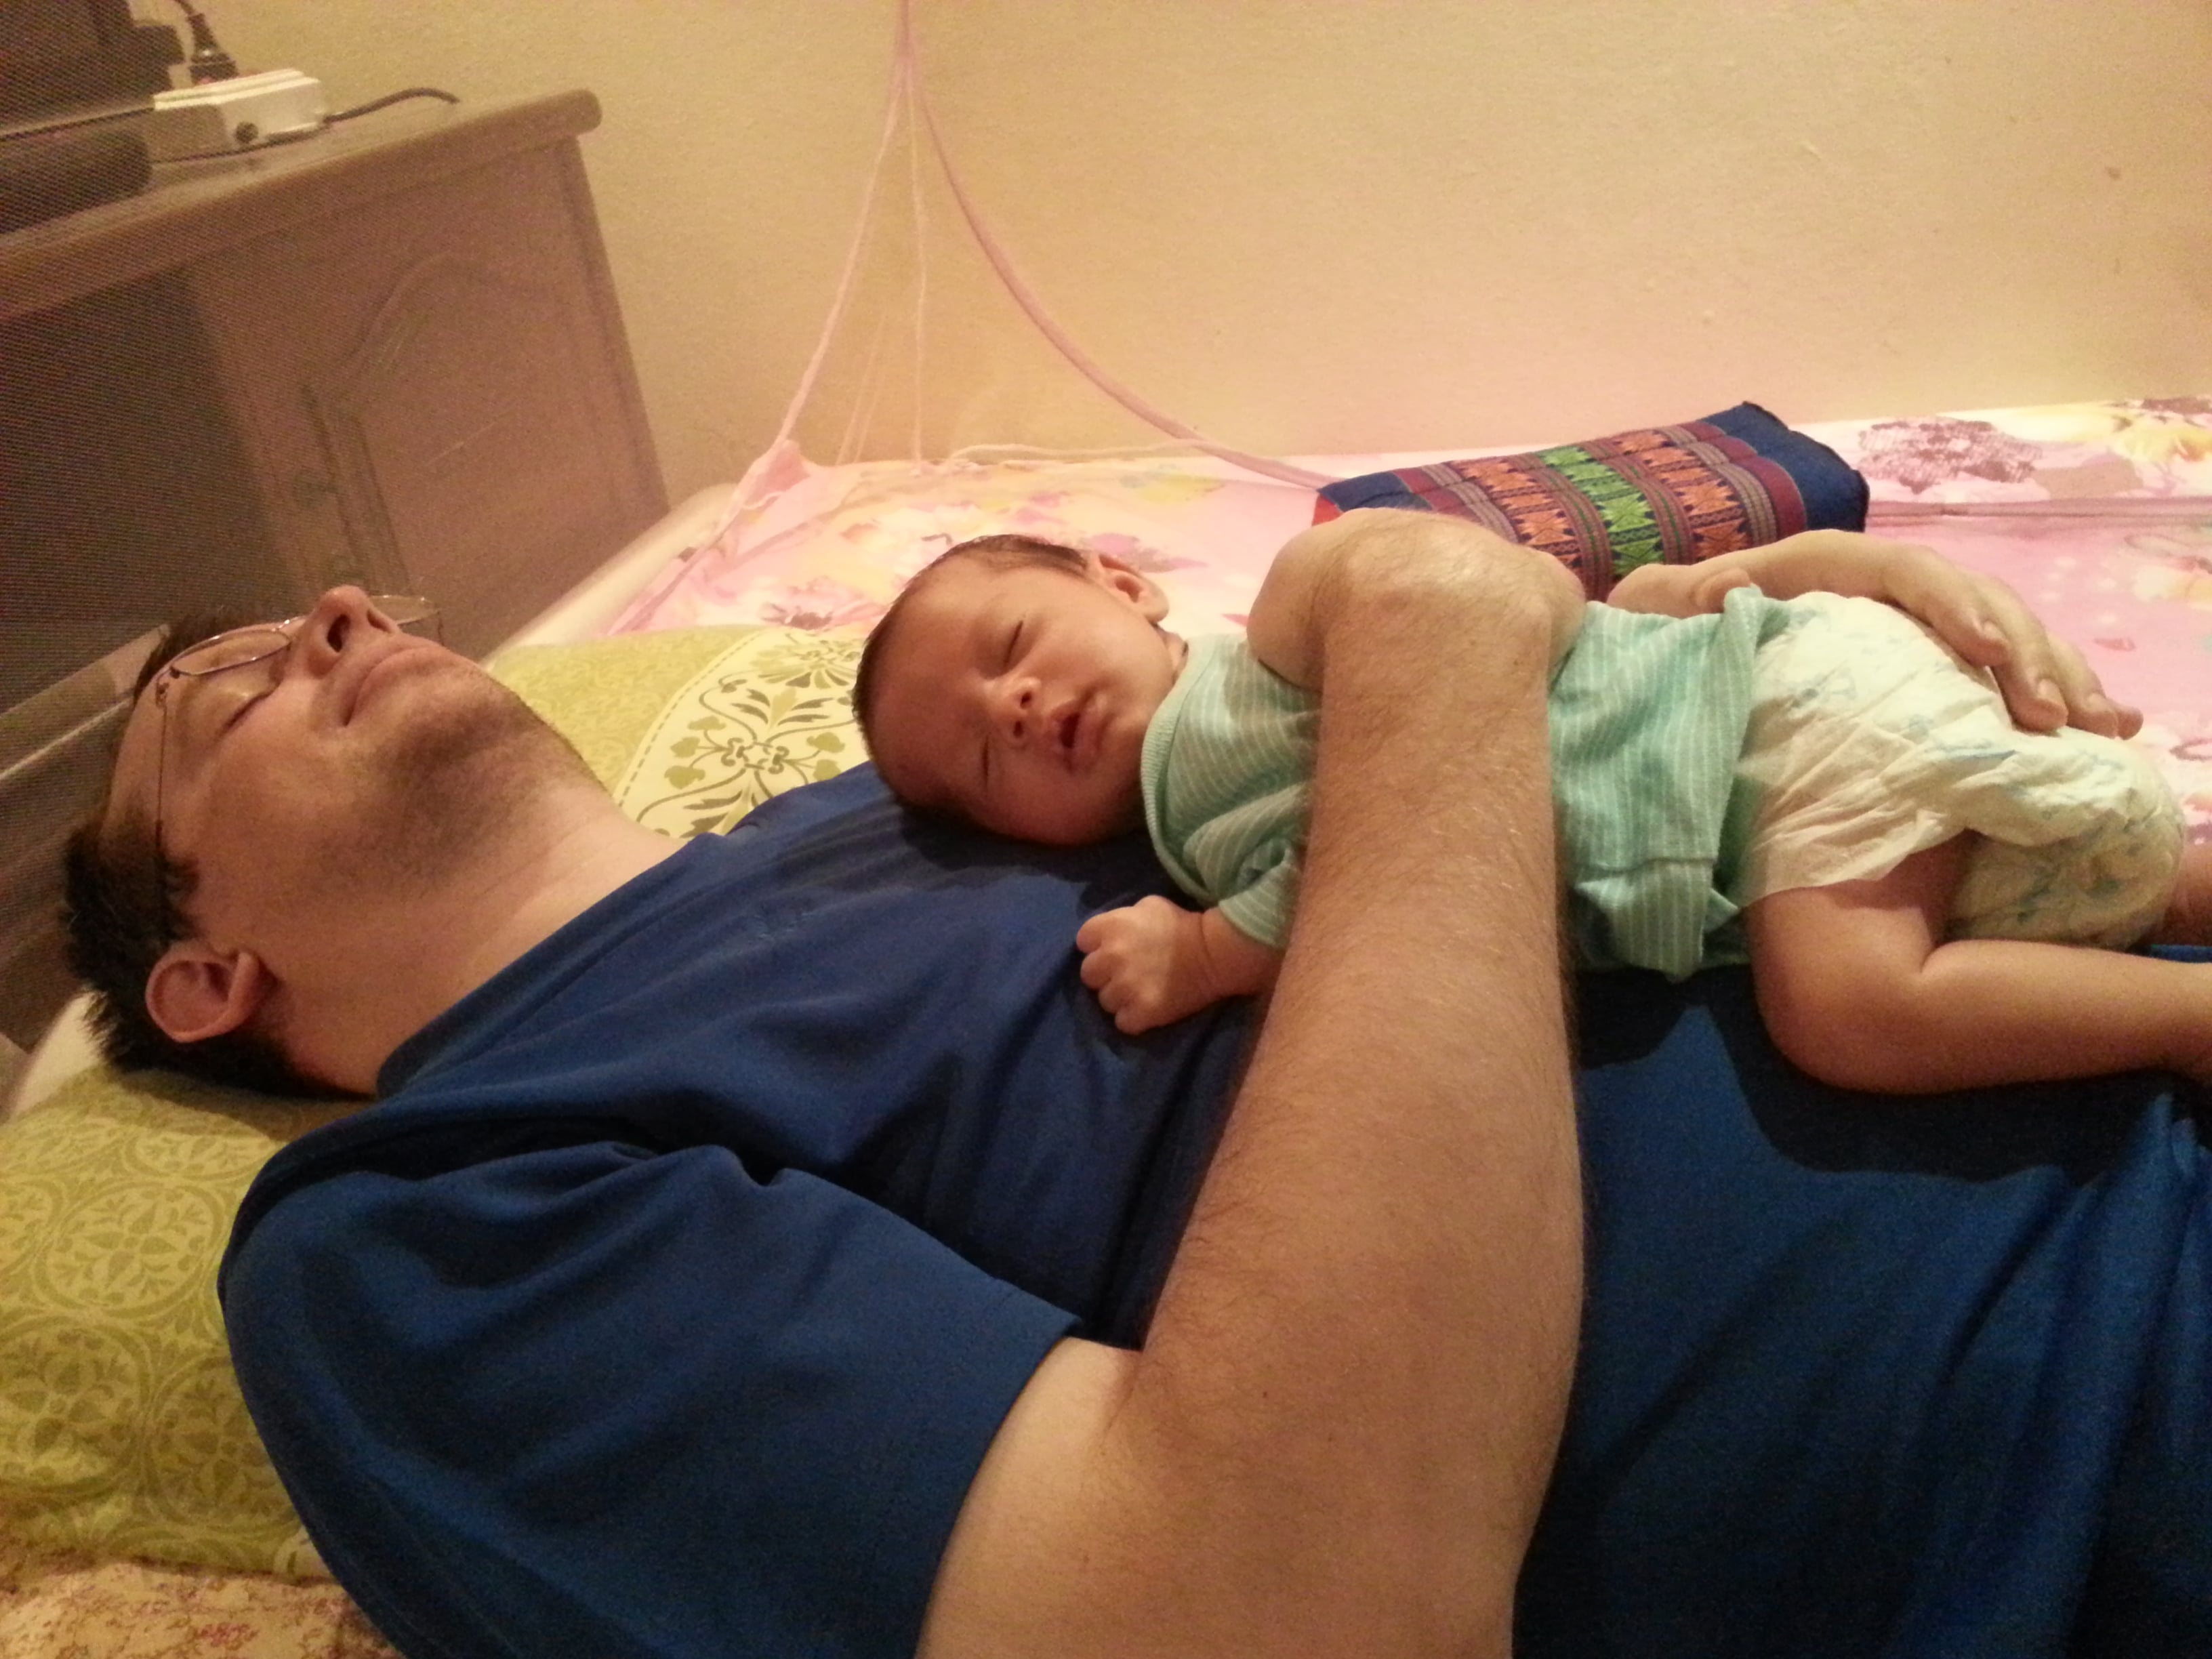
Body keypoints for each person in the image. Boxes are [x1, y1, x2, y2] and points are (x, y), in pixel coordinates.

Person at [57, 522, 2205, 1659]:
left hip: (2078, 968)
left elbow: (1491, 687)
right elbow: (1288, 1613)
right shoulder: (406, 1235)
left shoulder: (901, 788)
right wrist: (1437, 629)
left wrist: (1779, 602)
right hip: (2090, 1397)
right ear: (207, 971)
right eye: (219, 697)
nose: (335, 605)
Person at [855, 514, 2212, 1092]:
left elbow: (1370, 862)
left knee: (1848, 1009)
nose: (1013, 707)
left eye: (1013, 646)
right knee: (2096, 888)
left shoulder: (1235, 696)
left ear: (1123, 581)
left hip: (1766, 726)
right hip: (1773, 752)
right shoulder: (1183, 813)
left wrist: (1208, 953)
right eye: (978, 760)